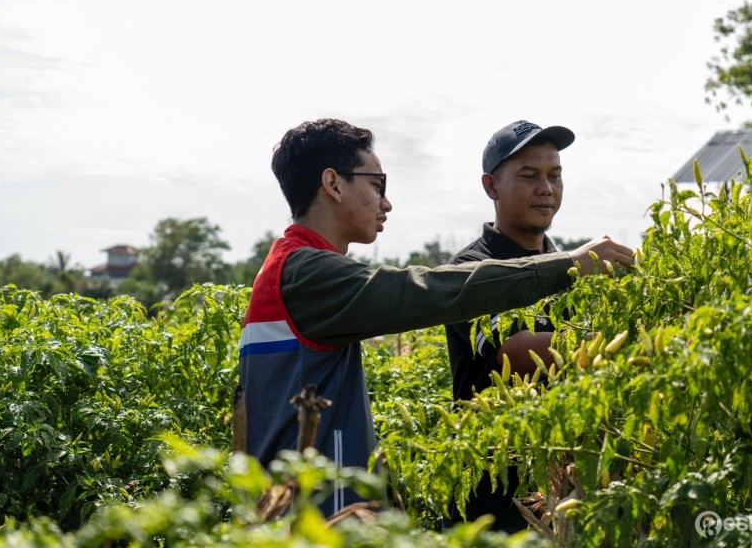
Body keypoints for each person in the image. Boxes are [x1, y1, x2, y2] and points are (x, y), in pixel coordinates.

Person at [237, 118, 634, 518]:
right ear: (334, 184)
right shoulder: (305, 274)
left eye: (554, 175)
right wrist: (567, 266)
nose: (386, 202)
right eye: (377, 185)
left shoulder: (293, 268)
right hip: (310, 518)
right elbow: (423, 290)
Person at [443, 119, 634, 531]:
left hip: (569, 494)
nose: (546, 189)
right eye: (529, 176)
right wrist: (634, 338)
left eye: (555, 175)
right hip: (496, 507)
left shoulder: (575, 268)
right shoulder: (469, 270)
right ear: (491, 186)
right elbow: (520, 353)